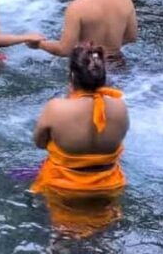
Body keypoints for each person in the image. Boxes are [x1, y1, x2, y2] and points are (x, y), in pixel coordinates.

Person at [30, 43, 128, 236]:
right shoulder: (120, 106)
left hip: (65, 187)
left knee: (62, 235)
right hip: (108, 186)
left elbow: (39, 143)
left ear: (73, 76)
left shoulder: (57, 108)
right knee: (102, 234)